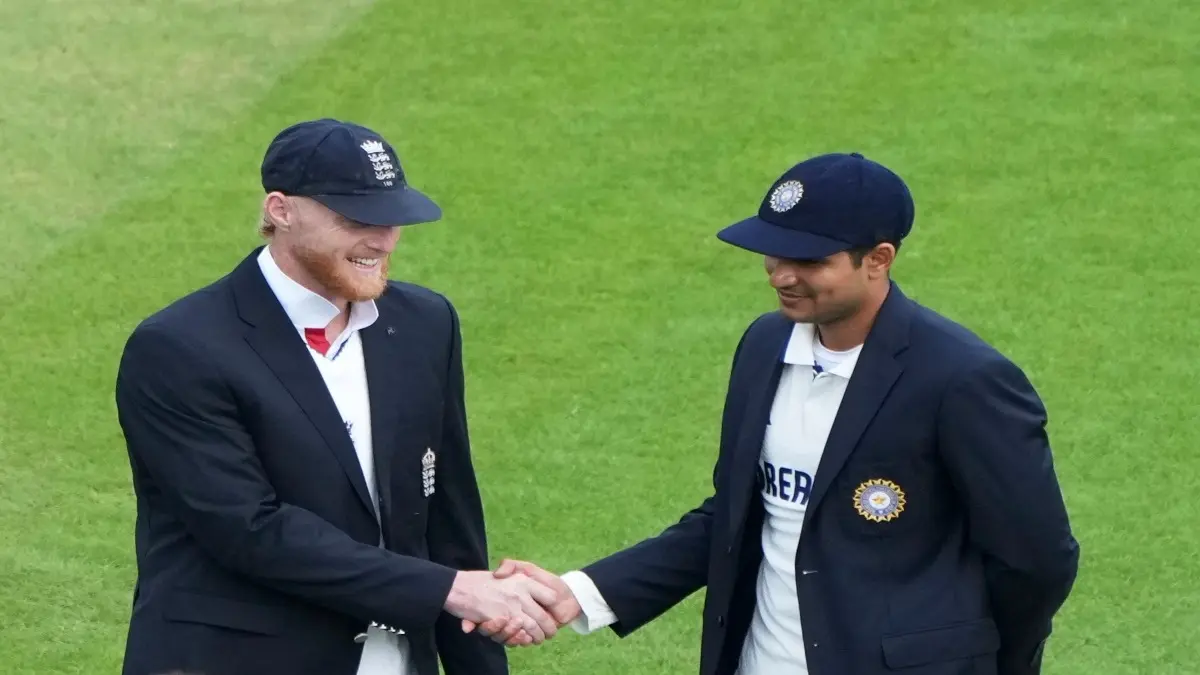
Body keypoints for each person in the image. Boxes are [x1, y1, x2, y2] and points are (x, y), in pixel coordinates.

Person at [480, 153, 1081, 674]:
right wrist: (580, 594)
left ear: (878, 259)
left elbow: (1037, 560)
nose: (781, 275)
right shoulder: (766, 346)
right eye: (772, 254)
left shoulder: (963, 379)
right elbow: (734, 517)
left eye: (809, 260)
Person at [114, 118, 557, 675]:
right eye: (356, 218)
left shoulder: (424, 324)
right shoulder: (180, 348)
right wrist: (448, 589)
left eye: (393, 218)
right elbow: (250, 530)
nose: (382, 239)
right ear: (280, 210)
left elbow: (446, 516)